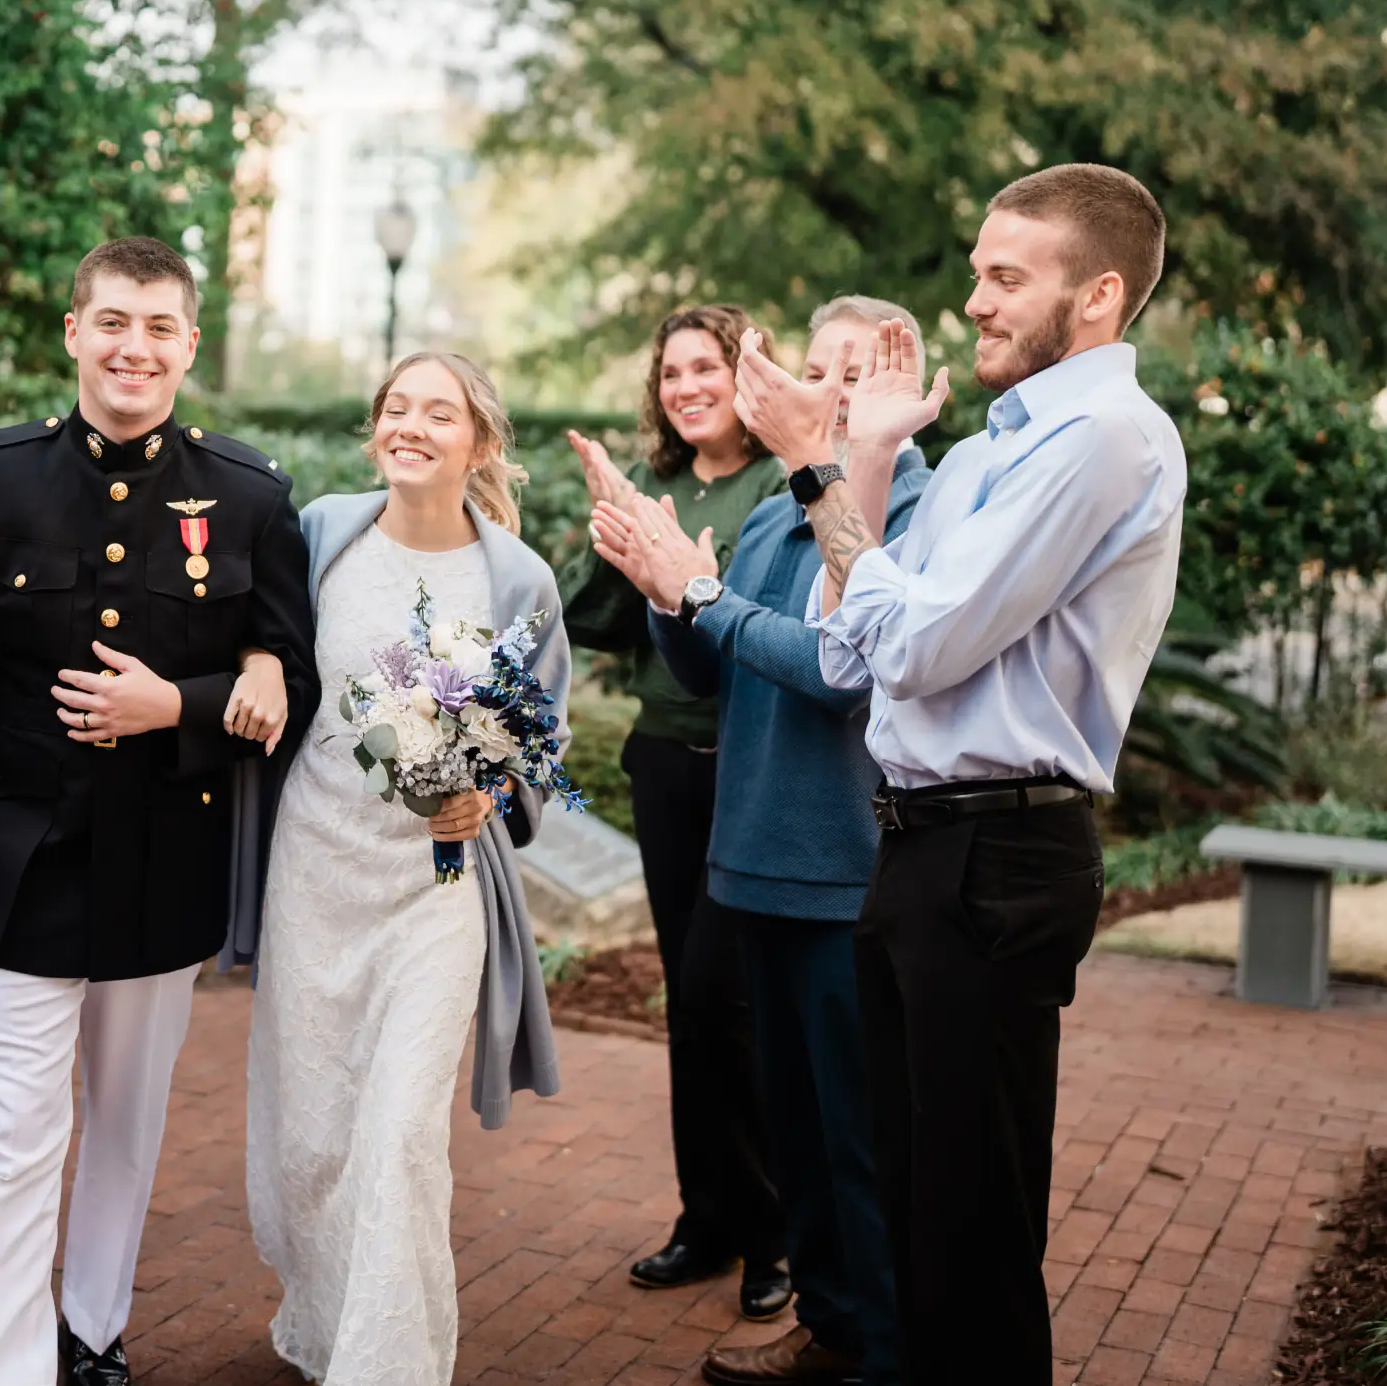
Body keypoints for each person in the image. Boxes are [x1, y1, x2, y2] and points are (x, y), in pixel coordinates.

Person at [737, 165, 1185, 1386]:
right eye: (978, 272)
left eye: (1005, 277)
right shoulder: (989, 451)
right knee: (910, 1208)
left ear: (1097, 296)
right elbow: (848, 645)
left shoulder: (1103, 439)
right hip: (916, 849)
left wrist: (813, 471)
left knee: (970, 1228)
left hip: (999, 857)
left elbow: (920, 645)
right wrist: (869, 458)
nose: (974, 301)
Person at [0, 236, 315, 1386]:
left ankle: (89, 1333)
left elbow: (292, 678)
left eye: (159, 327)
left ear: (189, 345)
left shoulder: (249, 495)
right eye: (113, 322)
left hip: (163, 868)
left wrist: (179, 703)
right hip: (13, 866)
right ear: (74, 331)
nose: (136, 347)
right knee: (13, 1142)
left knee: (125, 1131)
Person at [595, 298, 933, 1385]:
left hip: (841, 869)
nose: (824, 388)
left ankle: (883, 1349)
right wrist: (665, 591)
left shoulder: (904, 506)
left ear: (899, 392)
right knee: (794, 1129)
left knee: (856, 1135)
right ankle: (826, 1325)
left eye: (854, 372)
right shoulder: (784, 508)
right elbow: (711, 666)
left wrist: (702, 595)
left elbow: (835, 673)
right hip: (752, 859)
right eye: (816, 367)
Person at [244, 351, 566, 1386]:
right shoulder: (321, 535)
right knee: (314, 1131)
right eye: (396, 407)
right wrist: (257, 664)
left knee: (401, 1134)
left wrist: (491, 793)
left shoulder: (517, 578)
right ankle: (326, 1315)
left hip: (438, 887)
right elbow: (263, 640)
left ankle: (389, 1364)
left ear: (480, 442)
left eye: (439, 412)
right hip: (316, 866)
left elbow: (541, 737)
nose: (411, 426)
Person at [560, 305, 790, 1319]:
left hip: (753, 765)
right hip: (664, 764)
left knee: (730, 999)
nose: (687, 387)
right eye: (671, 373)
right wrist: (615, 529)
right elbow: (595, 623)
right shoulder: (658, 485)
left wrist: (687, 569)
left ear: (747, 375)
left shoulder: (780, 483)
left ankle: (777, 1234)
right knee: (692, 1009)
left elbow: (775, 621)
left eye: (707, 368)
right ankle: (709, 1220)